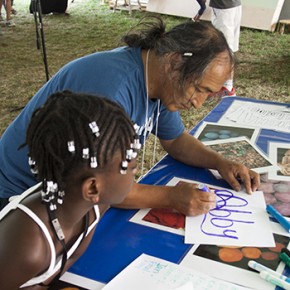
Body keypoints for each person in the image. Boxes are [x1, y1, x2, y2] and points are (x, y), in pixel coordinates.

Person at [0, 16, 260, 217]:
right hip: (19, 196)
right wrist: (170, 198)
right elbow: (99, 186)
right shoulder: (110, 88)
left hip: (66, 192)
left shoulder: (160, 80)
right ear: (174, 63)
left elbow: (176, 139)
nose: (197, 102)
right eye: (200, 89)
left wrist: (220, 163)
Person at [0, 90, 139, 289]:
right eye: (131, 168)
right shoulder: (27, 247)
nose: (137, 171)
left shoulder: (93, 208)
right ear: (92, 188)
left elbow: (65, 263)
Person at [209, 0, 242, 97]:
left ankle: (227, 88)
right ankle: (227, 86)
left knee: (223, 48)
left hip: (223, 7)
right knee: (228, 47)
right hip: (233, 5)